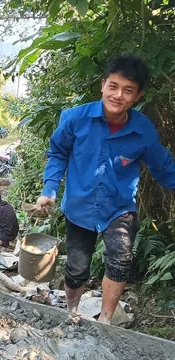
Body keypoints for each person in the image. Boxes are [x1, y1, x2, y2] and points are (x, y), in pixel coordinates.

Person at [35, 55, 175, 325]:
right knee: (77, 270)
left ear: (138, 95)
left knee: (121, 259)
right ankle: (72, 312)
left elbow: (164, 167)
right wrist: (50, 189)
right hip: (78, 206)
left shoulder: (143, 130)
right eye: (113, 86)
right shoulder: (76, 119)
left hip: (119, 207)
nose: (118, 95)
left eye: (128, 90)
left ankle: (106, 321)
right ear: (103, 85)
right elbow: (58, 153)